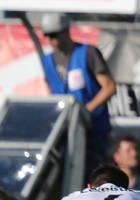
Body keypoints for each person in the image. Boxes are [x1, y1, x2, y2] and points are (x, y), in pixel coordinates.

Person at [40, 13, 116, 174]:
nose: (49, 39)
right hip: (64, 131)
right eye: (45, 35)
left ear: (66, 31)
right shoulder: (47, 60)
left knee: (97, 176)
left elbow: (109, 87)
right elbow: (51, 90)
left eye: (53, 34)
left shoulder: (88, 53)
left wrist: (85, 112)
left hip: (93, 130)